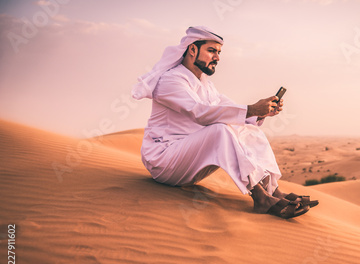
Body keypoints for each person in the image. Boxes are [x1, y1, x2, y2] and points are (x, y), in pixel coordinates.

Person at [132, 26, 318, 219]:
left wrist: (261, 113)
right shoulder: (171, 81)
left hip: (188, 159)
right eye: (212, 51)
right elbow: (201, 113)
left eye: (219, 52)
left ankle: (274, 191)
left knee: (247, 129)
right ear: (192, 50)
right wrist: (252, 108)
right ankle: (261, 199)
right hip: (163, 161)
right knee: (220, 130)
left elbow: (230, 109)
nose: (218, 58)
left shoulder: (205, 84)